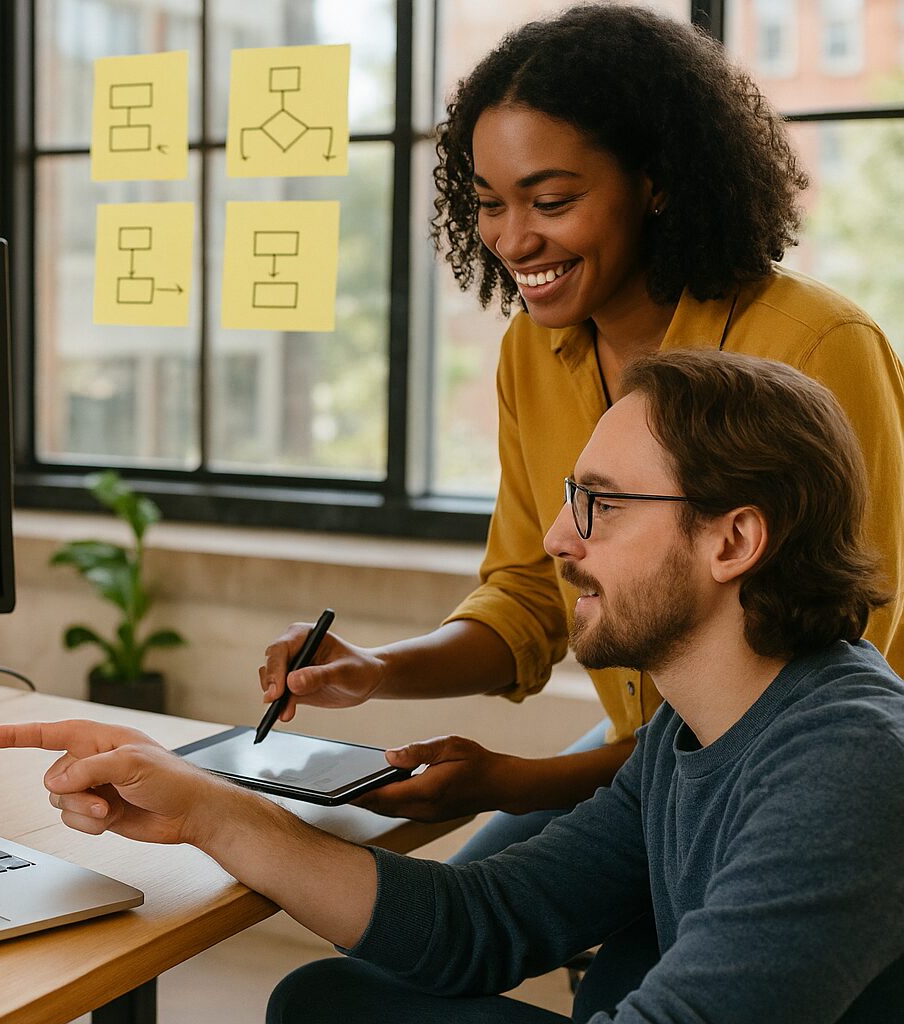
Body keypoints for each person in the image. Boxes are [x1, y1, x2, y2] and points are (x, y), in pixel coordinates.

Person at [0, 350, 904, 1022]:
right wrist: (210, 811)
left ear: (733, 541)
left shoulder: (850, 766)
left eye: (602, 505)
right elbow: (489, 922)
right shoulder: (690, 730)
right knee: (329, 1002)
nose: (558, 539)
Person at [256, 4, 904, 856]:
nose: (513, 239)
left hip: (804, 785)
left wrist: (519, 782)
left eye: (552, 200)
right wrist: (377, 670)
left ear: (656, 181)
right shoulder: (532, 351)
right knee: (451, 916)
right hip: (636, 761)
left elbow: (821, 676)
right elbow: (532, 594)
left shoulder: (815, 347)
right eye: (488, 203)